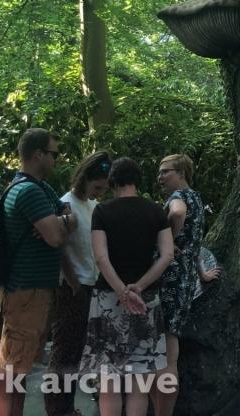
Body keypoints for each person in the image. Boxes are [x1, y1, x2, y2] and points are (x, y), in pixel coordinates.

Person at [0, 128, 77, 416]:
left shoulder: (41, 188)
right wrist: (61, 225)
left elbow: (68, 215)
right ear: (38, 154)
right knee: (10, 370)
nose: (57, 159)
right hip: (25, 292)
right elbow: (56, 237)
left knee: (20, 368)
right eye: (54, 153)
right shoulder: (28, 191)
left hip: (37, 292)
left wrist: (64, 221)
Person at [80, 157, 174, 416]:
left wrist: (122, 291)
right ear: (137, 179)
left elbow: (101, 258)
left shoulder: (102, 211)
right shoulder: (156, 210)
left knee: (109, 382)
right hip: (146, 299)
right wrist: (139, 287)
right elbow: (167, 255)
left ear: (113, 181)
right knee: (139, 383)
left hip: (108, 299)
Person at [151, 155, 220, 416]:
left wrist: (164, 240)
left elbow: (177, 214)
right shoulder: (197, 198)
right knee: (169, 347)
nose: (160, 177)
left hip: (168, 278)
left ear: (180, 173)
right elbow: (195, 245)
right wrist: (201, 274)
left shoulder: (179, 197)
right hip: (184, 280)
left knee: (166, 354)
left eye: (164, 172)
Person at [44, 151, 111, 416]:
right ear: (84, 179)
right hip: (73, 287)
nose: (99, 192)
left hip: (93, 286)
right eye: (97, 187)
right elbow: (58, 246)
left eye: (105, 188)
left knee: (85, 351)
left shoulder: (94, 207)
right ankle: (59, 410)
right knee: (65, 354)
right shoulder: (64, 205)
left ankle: (70, 408)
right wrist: (71, 279)